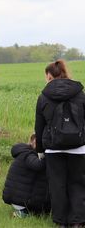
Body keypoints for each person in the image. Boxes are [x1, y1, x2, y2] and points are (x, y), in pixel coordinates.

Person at [35, 59, 85, 227]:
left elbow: (39, 125)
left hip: (53, 148)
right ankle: (77, 222)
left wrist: (40, 150)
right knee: (77, 184)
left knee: (57, 186)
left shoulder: (43, 96)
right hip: (79, 147)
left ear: (49, 76)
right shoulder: (80, 93)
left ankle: (60, 222)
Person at [3, 134, 50, 218]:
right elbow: (37, 165)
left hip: (19, 199)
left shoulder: (25, 153)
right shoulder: (27, 154)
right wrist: (48, 156)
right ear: (32, 141)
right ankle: (22, 213)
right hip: (20, 202)